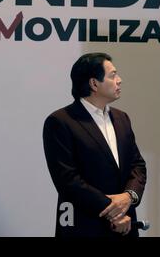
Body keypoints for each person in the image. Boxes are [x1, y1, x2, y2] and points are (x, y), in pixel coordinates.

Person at [43, 53, 147, 237]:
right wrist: (113, 210)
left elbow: (137, 165)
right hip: (84, 228)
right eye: (112, 75)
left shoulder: (122, 118)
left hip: (126, 227)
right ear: (94, 84)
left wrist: (128, 197)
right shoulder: (60, 121)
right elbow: (68, 180)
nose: (119, 80)